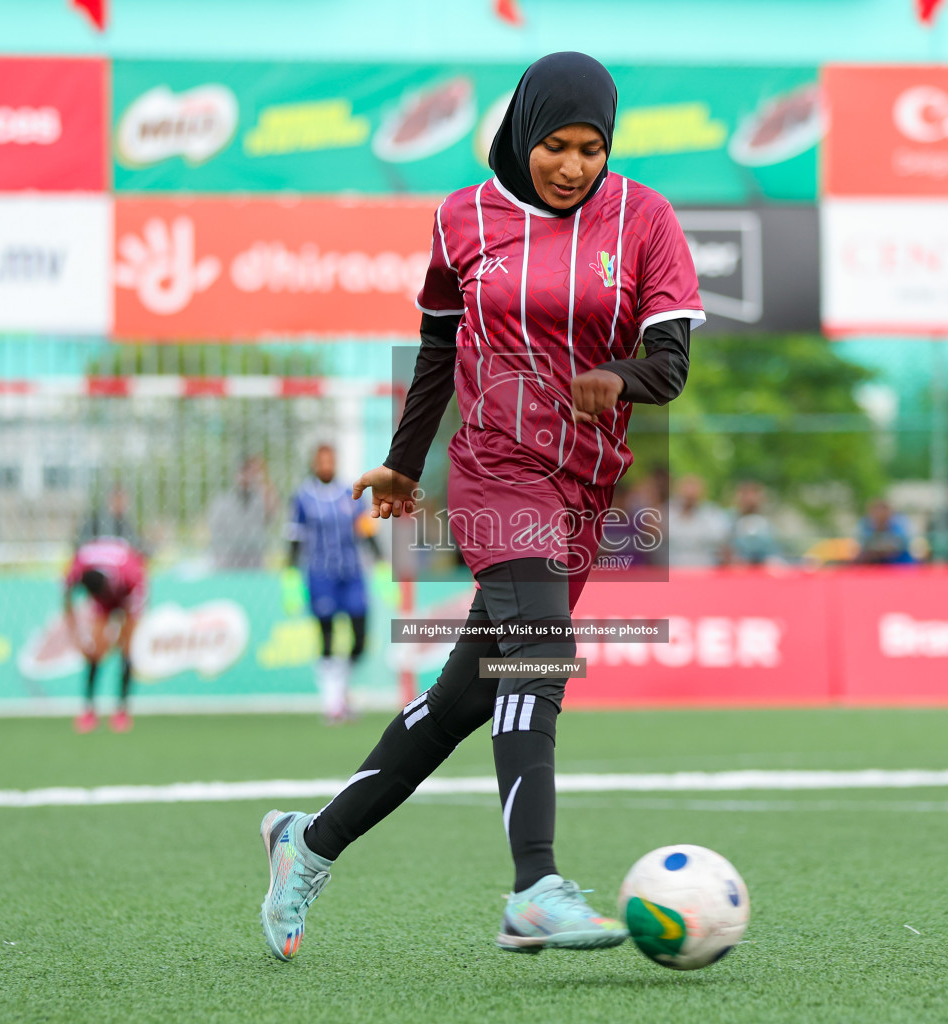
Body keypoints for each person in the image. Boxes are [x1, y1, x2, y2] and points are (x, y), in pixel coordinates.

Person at [255, 51, 702, 961]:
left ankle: (307, 842)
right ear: (520, 131)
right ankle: (535, 886)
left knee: (462, 701)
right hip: (495, 471)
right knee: (541, 658)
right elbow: (435, 346)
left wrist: (617, 379)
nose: (574, 166)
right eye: (555, 145)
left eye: (592, 148)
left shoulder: (646, 218)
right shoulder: (463, 218)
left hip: (583, 487)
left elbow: (673, 367)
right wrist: (401, 463)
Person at [287, 444, 375, 723]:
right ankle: (332, 702)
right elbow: (294, 538)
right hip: (320, 574)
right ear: (314, 463)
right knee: (326, 635)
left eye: (330, 460)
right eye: (321, 460)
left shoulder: (351, 494)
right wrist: (289, 575)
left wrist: (382, 564)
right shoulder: (303, 497)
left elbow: (366, 531)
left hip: (352, 574)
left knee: (359, 638)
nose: (326, 465)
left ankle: (341, 690)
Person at [63, 535, 147, 734]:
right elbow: (66, 598)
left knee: (127, 651)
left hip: (127, 598)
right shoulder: (78, 567)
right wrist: (76, 635)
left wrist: (121, 636)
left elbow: (141, 602)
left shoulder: (131, 573)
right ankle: (88, 710)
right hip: (103, 605)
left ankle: (121, 711)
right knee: (95, 652)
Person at [208, 456, 278, 570]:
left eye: (251, 473)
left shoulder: (260, 500)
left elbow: (271, 511)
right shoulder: (222, 502)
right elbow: (215, 531)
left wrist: (264, 478)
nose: (246, 477)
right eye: (244, 472)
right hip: (227, 564)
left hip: (253, 564)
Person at [667, 474, 729, 567]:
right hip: (674, 568)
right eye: (686, 489)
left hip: (705, 569)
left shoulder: (712, 512)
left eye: (693, 489)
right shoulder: (668, 512)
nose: (690, 493)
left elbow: (719, 538)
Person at [722, 481, 777, 566]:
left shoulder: (767, 523)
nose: (749, 498)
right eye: (745, 494)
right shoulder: (726, 520)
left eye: (754, 494)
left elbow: (772, 553)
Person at [856, 498, 916, 565]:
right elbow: (861, 543)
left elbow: (903, 543)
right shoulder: (865, 524)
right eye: (877, 511)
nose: (880, 514)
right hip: (873, 560)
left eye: (883, 510)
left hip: (898, 561)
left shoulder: (899, 523)